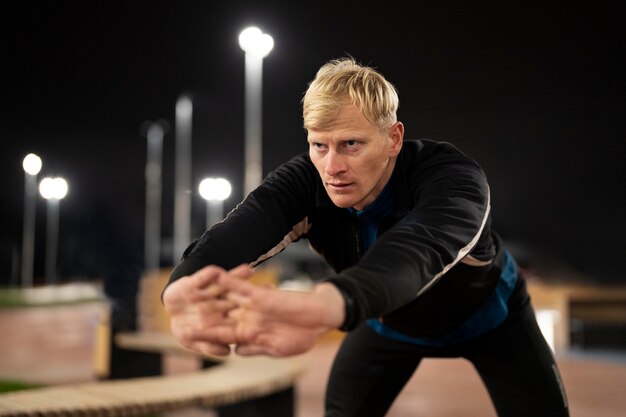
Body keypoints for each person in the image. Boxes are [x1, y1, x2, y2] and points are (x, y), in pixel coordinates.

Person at [162, 56, 570, 417]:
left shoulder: (452, 177)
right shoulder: (307, 179)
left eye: (351, 144)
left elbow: (416, 249)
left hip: (491, 320)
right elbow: (241, 229)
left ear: (393, 138)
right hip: (383, 324)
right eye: (318, 145)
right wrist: (183, 289)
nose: (332, 167)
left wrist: (326, 305)